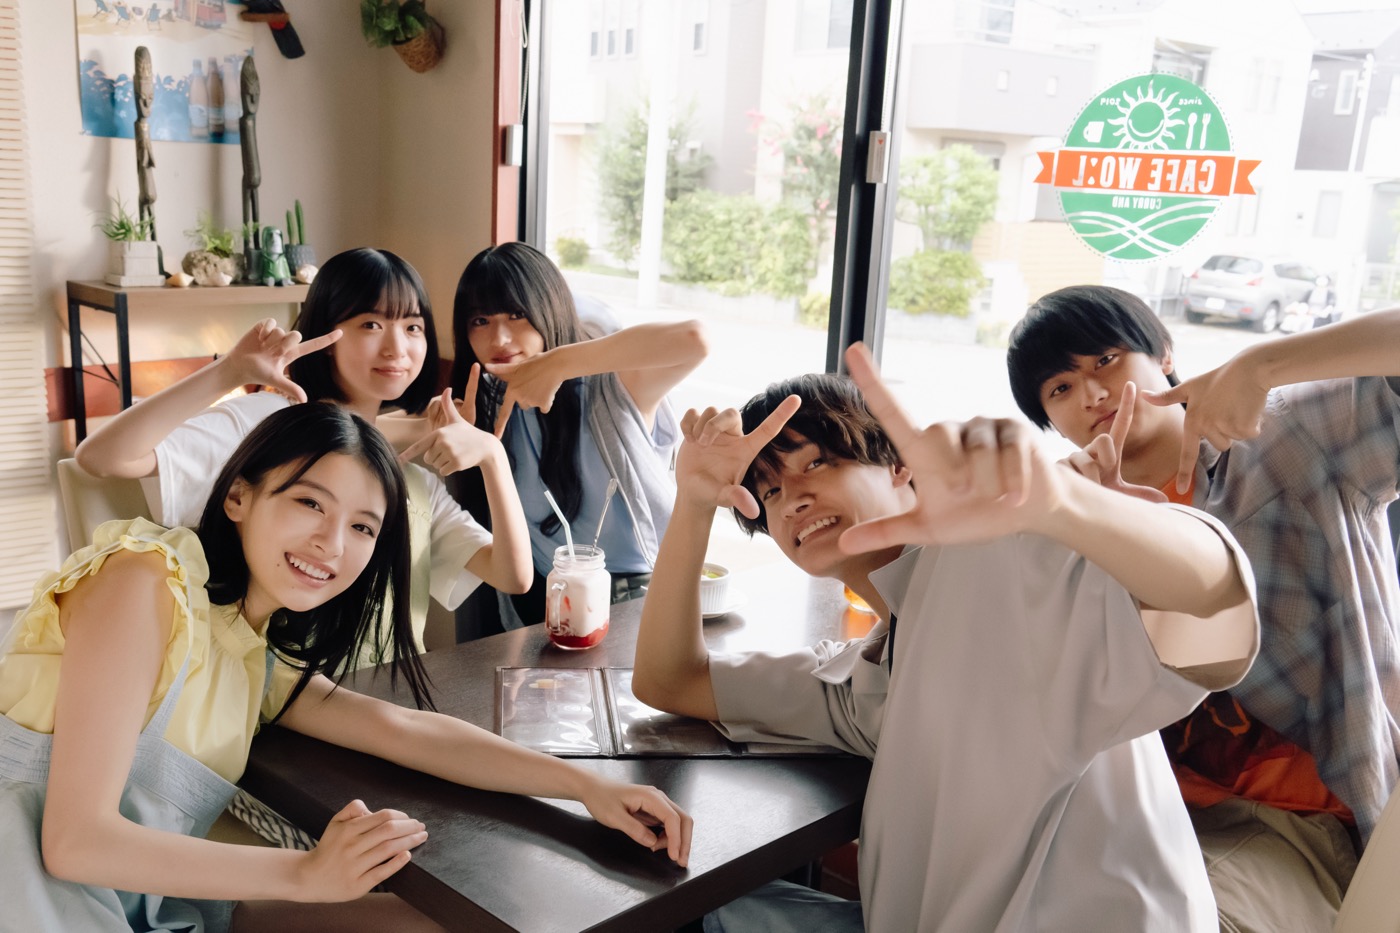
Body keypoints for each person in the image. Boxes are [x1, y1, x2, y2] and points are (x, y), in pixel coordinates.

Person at [632, 344, 1258, 931]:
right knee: (692, 908)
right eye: (769, 491)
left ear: (900, 468)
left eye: (818, 462)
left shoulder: (1003, 566)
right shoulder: (865, 679)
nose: (792, 498)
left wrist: (1064, 506)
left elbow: (1213, 613)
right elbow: (669, 679)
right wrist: (693, 502)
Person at [1, 402, 690, 932]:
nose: (332, 544)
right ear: (238, 496)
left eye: (362, 527)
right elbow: (74, 842)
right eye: (309, 502)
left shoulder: (251, 649)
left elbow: (402, 729)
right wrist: (305, 873)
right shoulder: (144, 577)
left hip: (144, 907)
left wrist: (583, 786)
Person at [1007, 284, 1400, 930]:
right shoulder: (1069, 525)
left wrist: (1264, 364)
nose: (1093, 393)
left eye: (1106, 359)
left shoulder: (1282, 436)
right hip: (1135, 811)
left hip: (1300, 818)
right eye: (1060, 388)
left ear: (1163, 353)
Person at [76, 247, 533, 658]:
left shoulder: (410, 475)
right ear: (325, 332)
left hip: (390, 689)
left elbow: (512, 576)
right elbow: (102, 457)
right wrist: (228, 373)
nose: (397, 347)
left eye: (413, 327)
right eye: (371, 324)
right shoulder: (267, 423)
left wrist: (492, 456)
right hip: (274, 687)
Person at [450, 241, 707, 627]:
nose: (499, 339)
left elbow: (695, 339)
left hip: (636, 600)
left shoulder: (611, 386)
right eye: (480, 321)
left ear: (547, 308)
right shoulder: (485, 400)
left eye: (517, 315)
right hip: (542, 602)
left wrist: (559, 363)